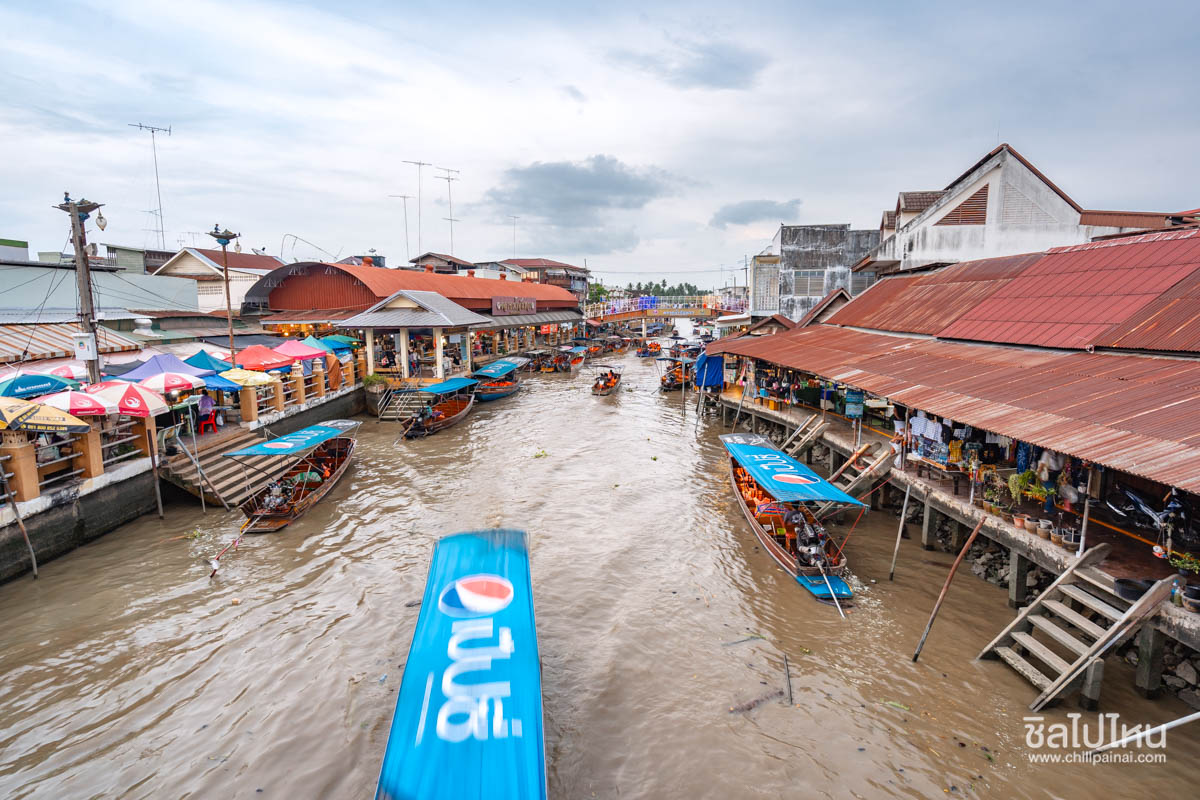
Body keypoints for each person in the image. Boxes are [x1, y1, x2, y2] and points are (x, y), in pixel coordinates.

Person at [1037, 449, 1065, 513]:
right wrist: (1039, 475)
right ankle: (1047, 509)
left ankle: (1051, 507)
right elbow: (1042, 465)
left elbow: (1063, 465)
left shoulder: (1062, 454)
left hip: (1057, 475)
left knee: (1056, 492)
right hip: (1048, 475)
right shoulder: (1047, 453)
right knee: (1051, 491)